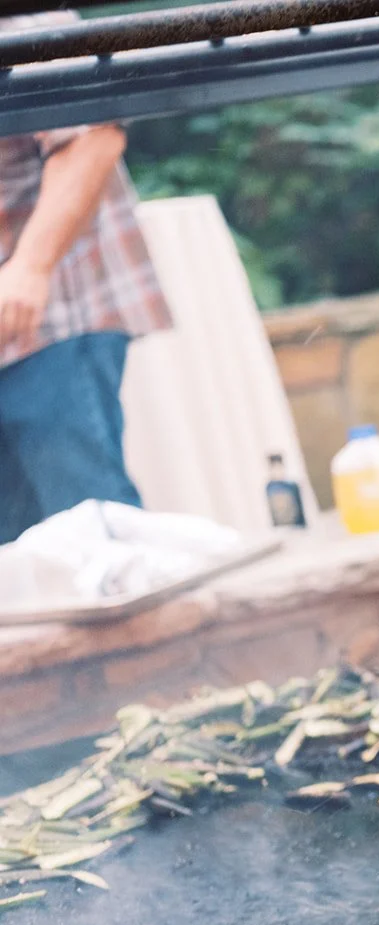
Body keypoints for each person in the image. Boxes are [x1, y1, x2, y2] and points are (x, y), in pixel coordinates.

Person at [0, 11, 171, 546]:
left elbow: (93, 136)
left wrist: (30, 268)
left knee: (89, 537)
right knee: (21, 556)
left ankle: (137, 632)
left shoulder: (32, 21)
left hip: (51, 316)